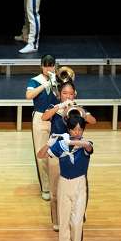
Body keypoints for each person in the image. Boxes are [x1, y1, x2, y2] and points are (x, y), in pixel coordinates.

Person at [38, 114, 93, 241]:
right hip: (64, 184)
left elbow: (88, 146)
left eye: (80, 129)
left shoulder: (85, 144)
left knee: (76, 223)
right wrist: (49, 143)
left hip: (79, 185)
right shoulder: (61, 145)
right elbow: (40, 155)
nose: (77, 132)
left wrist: (71, 141)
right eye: (74, 129)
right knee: (64, 221)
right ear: (69, 130)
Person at [40, 82, 96, 230]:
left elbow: (93, 121)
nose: (68, 96)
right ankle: (57, 220)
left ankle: (78, 215)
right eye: (64, 93)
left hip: (76, 153)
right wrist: (60, 106)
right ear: (59, 95)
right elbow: (44, 117)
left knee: (80, 186)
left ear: (75, 94)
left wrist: (79, 110)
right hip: (56, 151)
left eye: (71, 93)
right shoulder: (54, 107)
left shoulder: (79, 109)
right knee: (55, 189)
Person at [26, 55, 58, 199]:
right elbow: (29, 95)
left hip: (57, 116)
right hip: (40, 117)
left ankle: (57, 185)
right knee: (42, 153)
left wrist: (56, 83)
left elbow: (70, 94)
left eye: (51, 65)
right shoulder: (35, 80)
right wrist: (45, 85)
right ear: (41, 66)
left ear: (54, 66)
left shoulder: (59, 79)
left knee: (57, 152)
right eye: (46, 65)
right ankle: (45, 188)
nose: (48, 68)